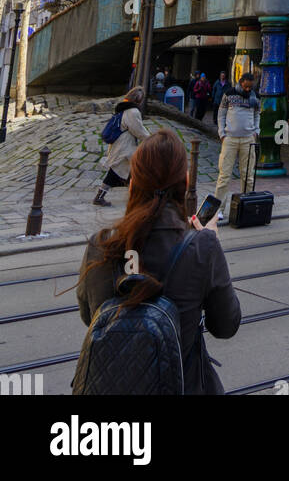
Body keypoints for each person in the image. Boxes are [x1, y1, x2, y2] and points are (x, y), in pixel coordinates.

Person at [77, 129, 241, 394]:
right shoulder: (202, 247)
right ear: (185, 182)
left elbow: (90, 317)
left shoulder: (101, 244)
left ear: (133, 184)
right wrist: (209, 245)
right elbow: (225, 326)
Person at [214, 73, 260, 222]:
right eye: (246, 86)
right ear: (240, 82)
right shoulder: (229, 94)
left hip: (248, 139)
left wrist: (256, 132)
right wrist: (222, 133)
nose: (248, 89)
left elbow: (257, 114)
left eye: (250, 87)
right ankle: (219, 209)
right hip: (230, 138)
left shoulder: (255, 97)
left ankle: (246, 205)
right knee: (224, 175)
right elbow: (221, 113)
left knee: (248, 175)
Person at [93, 87, 148, 207]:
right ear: (138, 99)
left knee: (129, 171)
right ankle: (100, 197)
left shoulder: (123, 109)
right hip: (125, 147)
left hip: (120, 145)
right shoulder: (133, 112)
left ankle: (136, 196)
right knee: (119, 171)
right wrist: (150, 138)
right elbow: (138, 130)